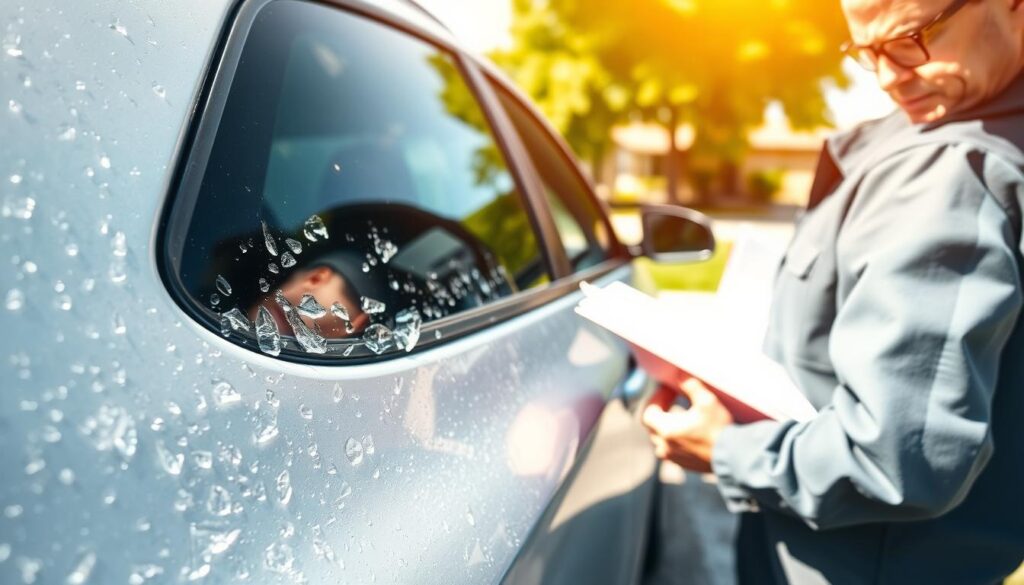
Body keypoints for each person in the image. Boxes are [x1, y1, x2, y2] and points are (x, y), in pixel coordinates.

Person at [641, 0, 1024, 582]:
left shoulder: (950, 174)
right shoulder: (951, 118)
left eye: (911, 38)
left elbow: (899, 457)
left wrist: (725, 451)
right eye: (865, 52)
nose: (890, 76)